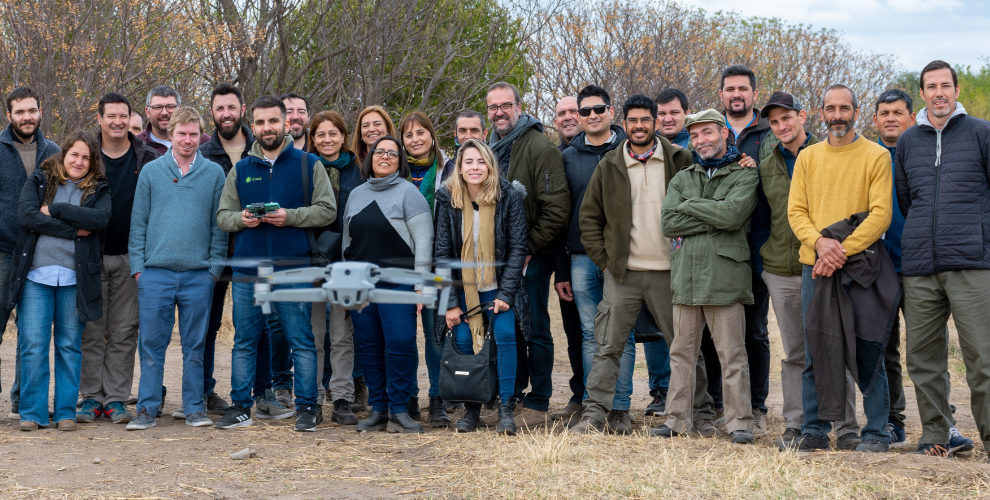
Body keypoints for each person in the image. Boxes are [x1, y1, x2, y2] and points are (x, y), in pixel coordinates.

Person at [570, 95, 716, 435]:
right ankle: (594, 415)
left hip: (672, 273)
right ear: (625, 122)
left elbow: (712, 184)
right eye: (632, 120)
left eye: (645, 120)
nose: (638, 126)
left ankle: (702, 412)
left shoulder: (680, 159)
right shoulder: (610, 164)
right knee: (608, 345)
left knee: (684, 346)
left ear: (655, 122)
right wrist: (607, 264)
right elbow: (589, 219)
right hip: (624, 274)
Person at [215, 95, 336, 432]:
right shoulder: (240, 169)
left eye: (273, 121)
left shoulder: (308, 164)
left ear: (285, 123)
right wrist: (241, 219)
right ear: (251, 126)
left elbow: (327, 209)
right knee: (244, 341)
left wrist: (290, 217)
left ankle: (307, 408)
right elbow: (223, 217)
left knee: (302, 340)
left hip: (292, 267)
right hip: (248, 270)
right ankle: (241, 407)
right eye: (260, 122)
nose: (267, 128)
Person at [786, 83, 893, 452]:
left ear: (856, 112)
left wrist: (839, 252)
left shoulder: (876, 156)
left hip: (860, 269)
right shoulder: (808, 158)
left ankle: (877, 432)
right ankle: (814, 429)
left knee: (867, 349)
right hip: (813, 268)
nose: (837, 115)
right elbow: (796, 211)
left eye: (844, 108)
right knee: (817, 349)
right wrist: (819, 245)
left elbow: (881, 215)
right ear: (821, 113)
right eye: (830, 108)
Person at [896, 60, 990, 458]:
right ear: (921, 93)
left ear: (956, 89)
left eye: (945, 85)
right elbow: (907, 199)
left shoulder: (981, 132)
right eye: (931, 86)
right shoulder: (907, 141)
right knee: (922, 358)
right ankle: (936, 433)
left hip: (972, 262)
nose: (939, 92)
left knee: (982, 356)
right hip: (920, 266)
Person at [652, 109, 759, 444]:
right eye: (695, 135)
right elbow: (668, 223)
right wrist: (711, 209)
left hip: (725, 277)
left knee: (732, 355)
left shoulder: (744, 174)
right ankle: (675, 420)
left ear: (724, 133)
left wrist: (690, 206)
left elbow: (732, 216)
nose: (701, 141)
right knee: (681, 354)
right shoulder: (683, 178)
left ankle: (740, 422)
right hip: (686, 278)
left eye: (708, 133)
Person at [124, 107, 227, 431]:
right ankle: (147, 410)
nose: (187, 139)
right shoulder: (153, 172)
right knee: (151, 345)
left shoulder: (213, 174)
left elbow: (219, 227)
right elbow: (138, 223)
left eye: (193, 134)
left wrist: (213, 270)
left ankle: (195, 407)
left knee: (195, 345)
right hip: (156, 274)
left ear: (201, 136)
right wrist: (139, 268)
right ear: (171, 135)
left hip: (198, 275)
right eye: (181, 133)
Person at [3, 130, 110, 431]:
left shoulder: (98, 189)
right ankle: (32, 413)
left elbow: (99, 221)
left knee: (68, 346)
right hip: (36, 276)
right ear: (64, 154)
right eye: (74, 154)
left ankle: (65, 412)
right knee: (34, 344)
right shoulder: (40, 179)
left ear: (92, 163)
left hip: (74, 279)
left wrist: (59, 211)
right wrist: (73, 229)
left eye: (86, 157)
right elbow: (27, 216)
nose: (79, 161)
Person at [199, 82, 290, 419]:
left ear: (242, 110)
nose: (226, 114)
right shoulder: (204, 154)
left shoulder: (262, 149)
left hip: (255, 253)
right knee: (208, 325)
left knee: (261, 323)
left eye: (231, 107)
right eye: (219, 108)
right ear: (213, 112)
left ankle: (263, 392)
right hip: (216, 253)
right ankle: (205, 391)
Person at [553, 85, 636, 432]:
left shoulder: (631, 150)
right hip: (582, 258)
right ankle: (593, 408)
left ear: (611, 112)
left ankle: (619, 409)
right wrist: (561, 268)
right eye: (585, 111)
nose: (591, 116)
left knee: (622, 335)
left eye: (598, 109)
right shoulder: (568, 157)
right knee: (590, 334)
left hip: (623, 257)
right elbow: (561, 213)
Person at [486, 82, 569, 427]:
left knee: (534, 328)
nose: (499, 112)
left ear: (519, 107)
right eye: (493, 107)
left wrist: (529, 249)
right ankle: (514, 395)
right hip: (496, 259)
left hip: (531, 257)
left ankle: (539, 401)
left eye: (506, 106)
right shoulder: (489, 148)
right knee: (509, 329)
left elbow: (556, 208)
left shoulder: (539, 147)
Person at [434, 139, 529, 435]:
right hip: (463, 290)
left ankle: (504, 408)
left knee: (504, 335)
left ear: (490, 165)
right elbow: (441, 254)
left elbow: (517, 248)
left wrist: (506, 294)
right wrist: (449, 302)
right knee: (463, 340)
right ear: (459, 168)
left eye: (480, 162)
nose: (475, 168)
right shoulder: (446, 198)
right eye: (468, 162)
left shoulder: (508, 196)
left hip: (499, 287)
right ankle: (472, 409)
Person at [76, 93, 159, 425]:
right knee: (92, 329)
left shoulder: (148, 158)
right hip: (90, 256)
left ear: (132, 120)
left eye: (123, 116)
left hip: (131, 257)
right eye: (110, 116)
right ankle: (90, 398)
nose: (117, 122)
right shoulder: (84, 156)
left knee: (124, 330)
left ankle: (115, 399)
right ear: (99, 118)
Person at [342, 136, 433, 434]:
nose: (385, 157)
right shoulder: (356, 195)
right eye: (380, 152)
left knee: (401, 344)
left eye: (392, 154)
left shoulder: (410, 194)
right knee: (368, 347)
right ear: (369, 157)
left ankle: (399, 409)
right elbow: (348, 242)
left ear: (400, 161)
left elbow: (423, 241)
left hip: (399, 284)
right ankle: (378, 409)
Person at [756, 91, 825, 445]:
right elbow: (762, 216)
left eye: (786, 118)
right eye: (774, 122)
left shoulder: (827, 155)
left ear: (803, 116)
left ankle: (835, 424)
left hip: (823, 266)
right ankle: (796, 423)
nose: (781, 126)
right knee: (795, 351)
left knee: (829, 348)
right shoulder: (766, 161)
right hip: (781, 270)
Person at [0, 86, 60, 419]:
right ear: (9, 115)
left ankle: (24, 400)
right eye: (20, 112)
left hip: (39, 252)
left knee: (32, 330)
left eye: (32, 110)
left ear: (40, 111)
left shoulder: (54, 151)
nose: (27, 117)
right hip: (3, 250)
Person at [307, 110, 362, 425]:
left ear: (343, 136)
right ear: (313, 139)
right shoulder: (305, 168)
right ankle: (311, 399)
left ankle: (341, 398)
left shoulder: (358, 172)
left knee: (342, 334)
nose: (327, 140)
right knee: (313, 334)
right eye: (321, 134)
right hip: (312, 260)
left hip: (347, 263)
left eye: (333, 133)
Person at [399, 111, 453, 426]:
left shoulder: (449, 171)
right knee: (403, 336)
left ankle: (438, 399)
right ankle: (408, 397)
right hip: (401, 265)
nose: (416, 139)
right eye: (408, 134)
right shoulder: (393, 170)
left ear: (432, 135)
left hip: (437, 265)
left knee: (435, 336)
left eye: (421, 132)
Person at [549, 95, 586, 424]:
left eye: (575, 111)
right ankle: (579, 394)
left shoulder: (612, 150)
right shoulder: (555, 157)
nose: (569, 117)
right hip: (568, 260)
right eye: (562, 113)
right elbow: (557, 219)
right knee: (574, 332)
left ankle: (607, 398)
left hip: (606, 259)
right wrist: (561, 271)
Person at [136, 85, 209, 155]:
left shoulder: (203, 141)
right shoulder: (136, 145)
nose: (164, 113)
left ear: (180, 109)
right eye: (157, 107)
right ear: (147, 112)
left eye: (170, 107)